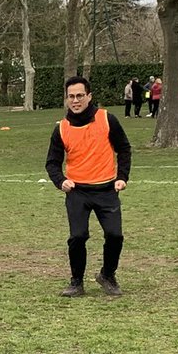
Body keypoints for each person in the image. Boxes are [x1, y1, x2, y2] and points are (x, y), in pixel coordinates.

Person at [45, 75, 131, 298]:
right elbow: (52, 163)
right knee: (78, 237)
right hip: (78, 192)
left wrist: (122, 176)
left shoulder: (107, 119)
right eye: (71, 96)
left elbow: (124, 149)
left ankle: (107, 275)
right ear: (66, 99)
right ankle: (76, 282)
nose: (75, 100)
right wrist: (60, 180)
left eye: (80, 96)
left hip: (106, 190)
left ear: (89, 96)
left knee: (115, 236)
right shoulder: (61, 129)